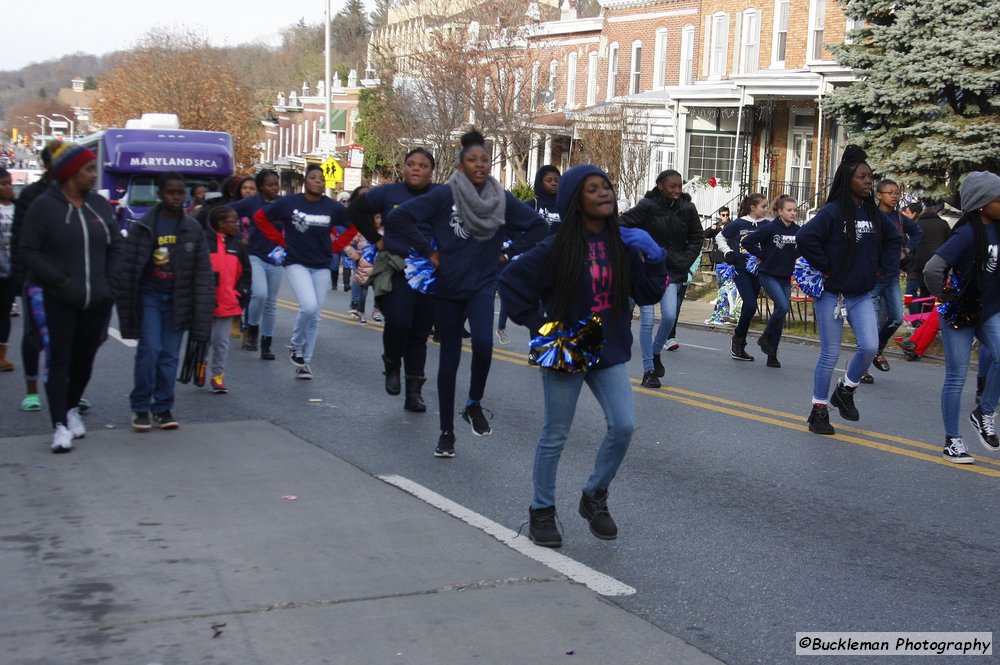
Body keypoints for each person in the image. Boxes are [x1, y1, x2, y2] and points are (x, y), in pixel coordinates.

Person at [498, 164, 667, 547]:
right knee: (555, 434)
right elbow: (511, 281)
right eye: (593, 189)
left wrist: (655, 258)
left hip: (607, 347)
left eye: (606, 186)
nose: (604, 193)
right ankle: (542, 510)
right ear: (576, 199)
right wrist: (541, 325)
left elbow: (647, 294)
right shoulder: (557, 245)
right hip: (567, 345)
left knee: (623, 426)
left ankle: (594, 495)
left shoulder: (622, 243)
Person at [386, 129, 547, 457]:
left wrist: (507, 251)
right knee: (449, 361)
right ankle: (446, 432)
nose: (479, 165)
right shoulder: (445, 196)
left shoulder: (500, 199)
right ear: (461, 165)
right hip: (447, 286)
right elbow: (400, 218)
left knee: (485, 345)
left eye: (484, 159)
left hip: (483, 284)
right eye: (472, 160)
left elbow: (538, 227)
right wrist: (429, 253)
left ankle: (473, 403)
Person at [19, 142, 121, 452]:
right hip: (57, 297)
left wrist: (110, 282)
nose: (95, 175)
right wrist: (60, 280)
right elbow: (28, 252)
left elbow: (116, 244)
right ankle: (59, 425)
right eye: (89, 169)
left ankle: (72, 407)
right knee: (59, 359)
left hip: (97, 298)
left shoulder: (98, 205)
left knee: (84, 358)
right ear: (70, 173)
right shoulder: (44, 206)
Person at [795, 146, 901, 435]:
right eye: (862, 176)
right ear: (848, 179)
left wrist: (881, 270)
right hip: (832, 295)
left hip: (861, 294)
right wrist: (828, 267)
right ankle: (818, 411)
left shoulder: (873, 214)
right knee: (830, 354)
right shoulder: (833, 212)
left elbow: (894, 241)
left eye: (870, 176)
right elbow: (805, 238)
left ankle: (845, 390)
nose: (869, 181)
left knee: (869, 347)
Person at [117, 171, 214, 431]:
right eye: (170, 192)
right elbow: (128, 267)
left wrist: (203, 307)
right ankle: (140, 406)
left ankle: (163, 407)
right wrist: (125, 299)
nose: (176, 197)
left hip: (177, 299)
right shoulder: (144, 225)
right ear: (160, 194)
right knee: (150, 349)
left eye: (180, 192)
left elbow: (203, 273)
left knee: (169, 355)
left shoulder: (192, 228)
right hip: (150, 294)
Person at [343, 148, 439, 411]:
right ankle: (392, 363)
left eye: (422, 165)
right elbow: (355, 210)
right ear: (404, 168)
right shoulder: (388, 193)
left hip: (430, 273)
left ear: (432, 171)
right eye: (410, 164)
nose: (416, 169)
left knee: (419, 333)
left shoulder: (440, 195)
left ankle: (414, 392)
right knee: (398, 322)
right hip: (395, 266)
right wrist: (376, 239)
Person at [923, 171, 1000, 464]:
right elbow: (932, 268)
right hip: (960, 310)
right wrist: (944, 295)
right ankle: (952, 440)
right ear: (982, 203)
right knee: (956, 377)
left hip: (989, 308)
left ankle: (984, 411)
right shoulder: (966, 233)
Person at [253, 163, 348, 379]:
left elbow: (354, 225)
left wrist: (338, 246)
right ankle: (295, 344)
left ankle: (305, 363)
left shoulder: (332, 207)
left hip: (321, 264)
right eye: (314, 178)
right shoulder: (289, 203)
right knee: (308, 306)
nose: (318, 181)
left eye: (321, 179)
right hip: (296, 262)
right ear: (305, 181)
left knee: (315, 316)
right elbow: (260, 217)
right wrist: (279, 240)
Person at [619, 169, 702, 387]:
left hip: (672, 271)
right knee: (647, 320)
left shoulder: (688, 208)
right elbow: (620, 226)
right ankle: (649, 371)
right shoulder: (647, 206)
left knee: (668, 316)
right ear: (660, 186)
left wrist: (685, 261)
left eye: (679, 186)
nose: (676, 190)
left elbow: (697, 237)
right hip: (645, 271)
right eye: (672, 186)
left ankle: (656, 353)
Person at [11, 141, 60, 411]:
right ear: (48, 165)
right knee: (34, 336)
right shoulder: (31, 195)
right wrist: (22, 278)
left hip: (69, 278)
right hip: (36, 279)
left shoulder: (77, 194)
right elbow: (20, 240)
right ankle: (32, 390)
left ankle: (69, 388)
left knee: (69, 338)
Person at [863, 179, 922, 383]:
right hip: (873, 278)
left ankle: (877, 349)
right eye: (890, 192)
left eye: (897, 193)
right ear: (879, 195)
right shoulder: (872, 216)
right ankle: (863, 366)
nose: (895, 196)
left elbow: (917, 232)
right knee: (871, 324)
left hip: (892, 277)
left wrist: (906, 251)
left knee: (897, 318)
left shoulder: (898, 217)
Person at [497, 165, 562, 345]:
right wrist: (518, 248)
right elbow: (513, 227)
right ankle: (537, 348)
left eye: (557, 180)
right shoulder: (532, 204)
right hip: (537, 263)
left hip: (560, 263)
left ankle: (555, 343)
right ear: (540, 182)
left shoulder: (565, 205)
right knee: (539, 307)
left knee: (557, 308)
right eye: (549, 180)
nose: (554, 184)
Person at [741, 195, 800, 368]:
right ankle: (765, 337)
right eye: (789, 210)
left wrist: (794, 257)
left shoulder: (797, 230)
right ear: (780, 211)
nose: (793, 213)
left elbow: (803, 247)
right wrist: (762, 255)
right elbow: (748, 241)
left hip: (785, 277)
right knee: (783, 306)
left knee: (780, 315)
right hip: (768, 275)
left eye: (795, 210)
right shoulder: (770, 227)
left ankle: (772, 354)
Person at [230, 169, 282, 357]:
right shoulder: (253, 202)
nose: (275, 187)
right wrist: (238, 235)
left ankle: (266, 344)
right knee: (259, 293)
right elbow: (229, 212)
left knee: (271, 303)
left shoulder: (282, 204)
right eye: (270, 184)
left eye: (276, 183)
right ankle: (252, 330)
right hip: (255, 255)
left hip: (276, 258)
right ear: (261, 187)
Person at [204, 205, 250, 394]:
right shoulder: (204, 243)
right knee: (204, 339)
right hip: (205, 301)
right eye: (234, 222)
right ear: (221, 224)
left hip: (227, 301)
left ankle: (217, 375)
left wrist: (240, 293)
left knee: (221, 341)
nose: (238, 225)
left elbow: (246, 273)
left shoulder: (237, 247)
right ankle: (200, 367)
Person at [718, 193, 770, 360]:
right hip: (741, 269)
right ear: (753, 207)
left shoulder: (767, 225)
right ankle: (738, 341)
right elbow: (720, 237)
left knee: (751, 308)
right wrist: (728, 252)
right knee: (749, 305)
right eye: (763, 206)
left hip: (758, 271)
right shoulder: (739, 223)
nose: (766, 209)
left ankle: (740, 343)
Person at [905, 200, 951, 320]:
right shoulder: (943, 224)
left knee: (924, 294)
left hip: (920, 264)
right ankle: (936, 321)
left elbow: (912, 245)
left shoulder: (917, 225)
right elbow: (949, 244)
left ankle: (920, 320)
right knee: (938, 295)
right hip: (940, 264)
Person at [0, 168, 15, 372]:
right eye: (4, 184)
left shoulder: (18, 209)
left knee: (4, 314)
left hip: (10, 271)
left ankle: (1, 357)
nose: (8, 187)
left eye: (9, 183)